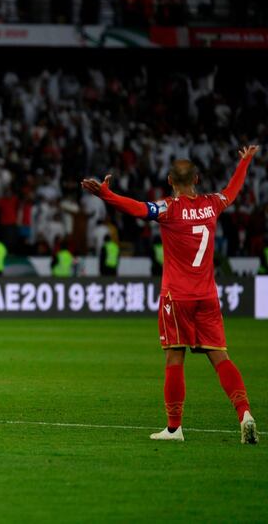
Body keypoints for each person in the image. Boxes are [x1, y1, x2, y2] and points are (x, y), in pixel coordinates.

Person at [81, 146, 259, 444]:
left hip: (176, 297)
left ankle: (174, 429)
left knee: (174, 358)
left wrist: (106, 195)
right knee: (220, 357)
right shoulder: (212, 204)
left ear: (169, 180)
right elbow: (233, 189)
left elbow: (138, 208)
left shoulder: (168, 208)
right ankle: (244, 413)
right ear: (198, 179)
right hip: (207, 297)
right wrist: (244, 162)